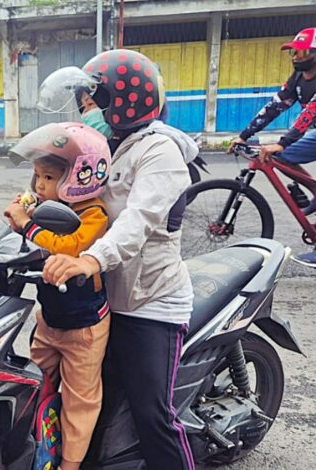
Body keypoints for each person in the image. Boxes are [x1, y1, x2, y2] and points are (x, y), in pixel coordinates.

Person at [41, 50, 197, 470]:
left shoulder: (161, 153)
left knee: (153, 416)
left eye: (96, 100)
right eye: (86, 101)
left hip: (151, 303)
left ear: (126, 101)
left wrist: (90, 260)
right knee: (88, 404)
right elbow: (68, 194)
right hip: (104, 300)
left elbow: (137, 221)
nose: (88, 108)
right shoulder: (105, 144)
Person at [4, 122, 111, 470]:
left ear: (80, 177)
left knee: (80, 400)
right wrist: (20, 211)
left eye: (48, 177)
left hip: (84, 327)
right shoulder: (47, 204)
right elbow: (22, 210)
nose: (39, 185)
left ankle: (70, 464)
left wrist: (27, 225)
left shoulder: (93, 214)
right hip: (49, 320)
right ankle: (36, 445)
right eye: (37, 176)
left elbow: (71, 246)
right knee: (35, 382)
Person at [230, 28, 316, 272]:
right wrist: (244, 135)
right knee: (280, 157)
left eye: (302, 52)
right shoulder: (298, 79)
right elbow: (275, 107)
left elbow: (313, 110)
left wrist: (283, 140)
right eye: (293, 52)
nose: (296, 57)